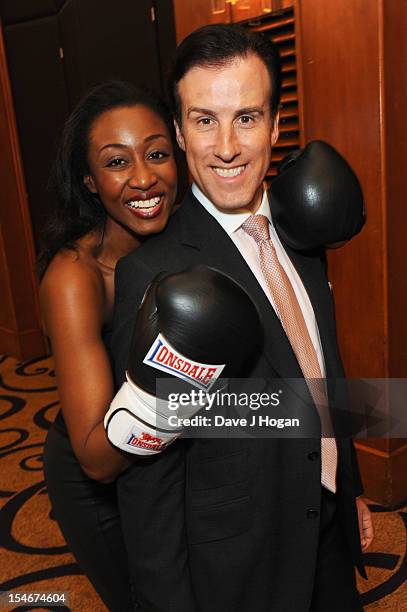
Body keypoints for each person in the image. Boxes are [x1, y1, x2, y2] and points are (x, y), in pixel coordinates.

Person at [110, 25, 373, 611]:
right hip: (239, 567)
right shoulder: (152, 275)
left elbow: (320, 369)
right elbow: (147, 477)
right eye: (204, 120)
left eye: (246, 118)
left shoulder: (304, 228)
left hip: (325, 524)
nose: (226, 146)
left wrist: (347, 486)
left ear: (277, 124)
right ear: (179, 131)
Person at [39, 80, 178, 611]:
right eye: (117, 162)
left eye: (158, 154)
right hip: (97, 474)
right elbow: (97, 457)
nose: (144, 178)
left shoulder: (188, 234)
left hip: (165, 456)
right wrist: (185, 388)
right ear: (91, 183)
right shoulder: (75, 277)